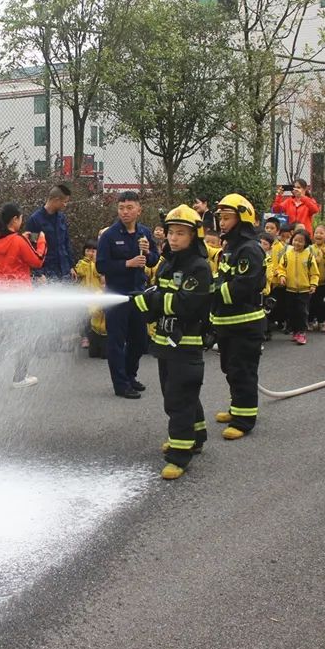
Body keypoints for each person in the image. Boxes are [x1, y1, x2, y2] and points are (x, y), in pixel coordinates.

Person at [131, 205, 213, 480]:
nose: (174, 238)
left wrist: (153, 301)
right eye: (170, 233)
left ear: (194, 236)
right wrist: (146, 303)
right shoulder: (168, 263)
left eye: (180, 233)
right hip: (165, 342)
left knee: (179, 398)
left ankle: (180, 455)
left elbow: (187, 305)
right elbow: (161, 294)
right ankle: (196, 435)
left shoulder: (198, 267)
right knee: (177, 393)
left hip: (186, 343)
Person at [209, 194, 267, 440]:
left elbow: (242, 287)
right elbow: (223, 279)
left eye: (227, 218)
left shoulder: (249, 250)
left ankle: (244, 420)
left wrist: (210, 295)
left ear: (242, 219)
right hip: (229, 323)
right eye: (220, 218)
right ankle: (237, 409)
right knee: (231, 369)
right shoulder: (232, 247)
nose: (222, 223)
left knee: (242, 370)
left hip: (245, 323)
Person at [97, 191, 160, 399]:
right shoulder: (109, 236)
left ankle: (130, 375)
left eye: (129, 208)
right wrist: (127, 263)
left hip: (138, 294)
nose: (125, 212)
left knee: (140, 341)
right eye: (121, 208)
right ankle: (121, 384)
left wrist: (148, 252)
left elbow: (152, 260)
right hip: (117, 294)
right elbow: (101, 265)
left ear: (139, 210)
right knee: (116, 341)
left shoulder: (144, 233)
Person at [0, 202, 47, 388]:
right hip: (21, 297)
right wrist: (42, 241)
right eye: (21, 218)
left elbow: (13, 254)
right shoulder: (18, 241)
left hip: (3, 296)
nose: (22, 221)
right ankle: (20, 378)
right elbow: (37, 261)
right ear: (15, 219)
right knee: (25, 337)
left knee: (4, 337)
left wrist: (24, 239)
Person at [275, 229, 319, 345]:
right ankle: (295, 331)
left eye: (300, 241)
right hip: (290, 289)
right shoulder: (287, 254)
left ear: (306, 243)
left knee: (302, 311)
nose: (297, 243)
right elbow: (281, 268)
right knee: (292, 311)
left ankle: (302, 332)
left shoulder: (309, 256)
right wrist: (282, 276)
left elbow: (314, 273)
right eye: (295, 240)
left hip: (304, 290)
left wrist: (313, 284)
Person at [26, 183, 75, 282]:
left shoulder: (61, 218)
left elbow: (66, 242)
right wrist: (38, 273)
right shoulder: (35, 220)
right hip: (47, 272)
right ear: (56, 200)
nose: (65, 205)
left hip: (64, 270)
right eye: (64, 202)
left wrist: (70, 266)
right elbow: (32, 248)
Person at [75, 239, 106, 353]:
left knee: (94, 317)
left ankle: (93, 337)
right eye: (88, 250)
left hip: (96, 295)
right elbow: (80, 272)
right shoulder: (81, 263)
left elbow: (100, 275)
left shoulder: (99, 264)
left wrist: (94, 263)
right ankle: (85, 337)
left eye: (93, 251)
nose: (90, 253)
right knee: (84, 318)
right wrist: (87, 262)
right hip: (84, 295)